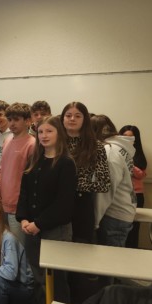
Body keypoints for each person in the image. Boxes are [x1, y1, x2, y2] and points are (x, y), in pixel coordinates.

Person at [16, 115, 76, 304]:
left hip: (55, 230)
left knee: (57, 281)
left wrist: (39, 224)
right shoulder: (35, 160)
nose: (44, 135)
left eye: (49, 131)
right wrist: (23, 219)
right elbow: (24, 193)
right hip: (32, 229)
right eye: (40, 132)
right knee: (38, 279)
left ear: (60, 133)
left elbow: (64, 203)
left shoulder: (65, 163)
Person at [62, 102, 110, 244]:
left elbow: (104, 184)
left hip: (81, 205)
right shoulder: (55, 143)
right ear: (62, 118)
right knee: (55, 250)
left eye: (78, 116)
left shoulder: (95, 146)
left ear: (85, 120)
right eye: (68, 115)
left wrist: (73, 185)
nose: (72, 119)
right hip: (55, 204)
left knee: (80, 250)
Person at [0, 102, 35, 243]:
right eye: (9, 119)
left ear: (27, 121)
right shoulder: (7, 140)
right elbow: (2, 168)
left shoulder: (32, 144)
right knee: (5, 245)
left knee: (18, 247)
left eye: (16, 119)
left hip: (19, 208)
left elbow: (32, 180)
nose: (12, 123)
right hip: (3, 203)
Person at [92, 115, 137, 247]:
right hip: (122, 210)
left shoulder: (109, 152)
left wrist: (95, 221)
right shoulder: (120, 148)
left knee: (111, 258)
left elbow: (106, 190)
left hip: (113, 214)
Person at [119, 124, 147, 248]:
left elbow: (140, 175)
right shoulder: (115, 151)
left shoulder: (138, 154)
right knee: (122, 227)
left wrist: (127, 161)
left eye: (131, 137)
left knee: (134, 228)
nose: (128, 139)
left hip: (136, 195)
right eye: (125, 136)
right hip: (121, 195)